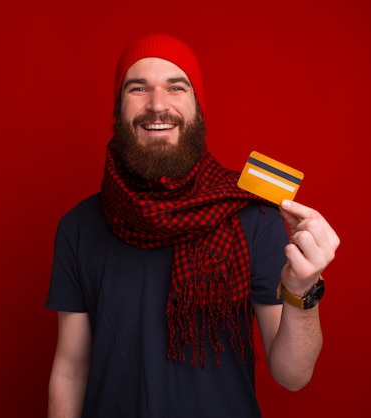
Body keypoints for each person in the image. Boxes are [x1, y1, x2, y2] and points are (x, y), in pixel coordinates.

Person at [45, 33, 340, 418]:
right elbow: (71, 370)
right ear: (118, 109)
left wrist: (303, 291)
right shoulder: (79, 227)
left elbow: (292, 375)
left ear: (197, 108)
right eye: (138, 88)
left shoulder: (251, 217)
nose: (157, 105)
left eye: (175, 87)